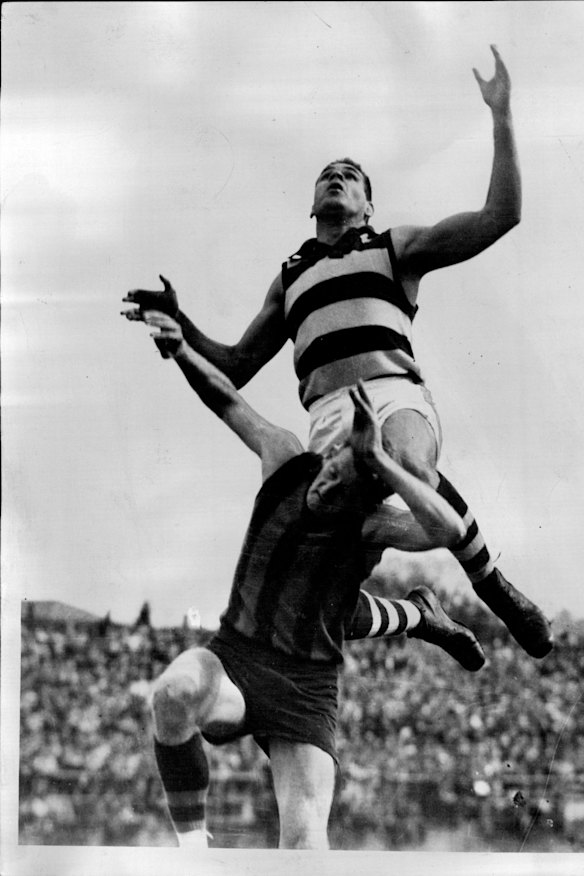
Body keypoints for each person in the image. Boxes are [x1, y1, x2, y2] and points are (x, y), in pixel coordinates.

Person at [122, 45, 553, 660]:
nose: (337, 175)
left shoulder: (393, 246)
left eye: (351, 173)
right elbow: (238, 365)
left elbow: (500, 215)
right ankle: (418, 617)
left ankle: (491, 584)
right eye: (328, 172)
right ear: (312, 202)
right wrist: (181, 320)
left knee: (402, 458)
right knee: (320, 606)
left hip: (393, 394)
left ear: (368, 205)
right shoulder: (290, 277)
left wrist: (502, 115)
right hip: (326, 418)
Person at [136, 311, 485, 850]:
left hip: (306, 686)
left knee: (303, 846)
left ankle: (420, 615)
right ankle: (193, 854)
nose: (325, 485)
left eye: (342, 484)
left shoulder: (372, 524)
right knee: (174, 693)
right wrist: (182, 349)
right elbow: (228, 399)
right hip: (238, 657)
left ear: (365, 495)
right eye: (330, 468)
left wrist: (382, 465)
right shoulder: (285, 459)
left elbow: (449, 528)